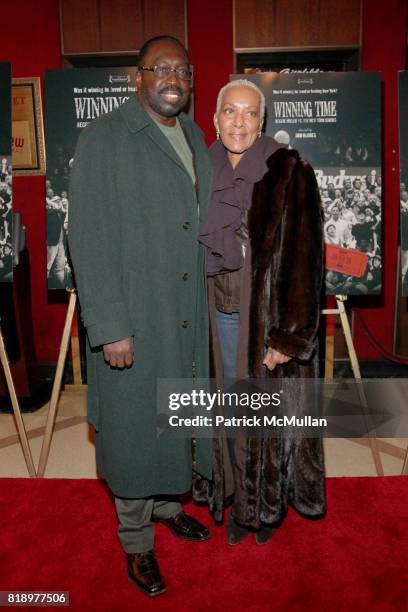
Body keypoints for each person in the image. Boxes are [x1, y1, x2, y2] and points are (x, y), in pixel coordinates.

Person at [68, 35, 212, 597]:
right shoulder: (104, 138)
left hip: (184, 311)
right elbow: (88, 238)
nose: (172, 78)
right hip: (136, 315)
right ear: (139, 76)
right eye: (161, 68)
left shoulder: (197, 135)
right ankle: (136, 542)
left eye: (182, 68)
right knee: (132, 434)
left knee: (175, 416)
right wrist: (110, 327)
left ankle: (167, 506)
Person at [196, 79, 325, 545]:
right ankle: (234, 496)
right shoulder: (197, 169)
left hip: (262, 325)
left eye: (250, 113)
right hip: (212, 322)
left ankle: (262, 506)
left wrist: (286, 336)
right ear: (214, 118)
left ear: (262, 120)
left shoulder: (288, 170)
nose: (239, 122)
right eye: (230, 111)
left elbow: (305, 261)